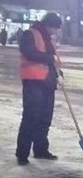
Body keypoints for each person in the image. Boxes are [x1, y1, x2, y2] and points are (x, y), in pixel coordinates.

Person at [15, 11, 63, 165]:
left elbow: (54, 60)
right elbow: (28, 52)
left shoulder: (49, 39)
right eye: (54, 28)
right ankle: (22, 154)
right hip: (33, 82)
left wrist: (58, 73)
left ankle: (40, 150)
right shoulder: (31, 34)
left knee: (44, 119)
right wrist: (48, 58)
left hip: (48, 82)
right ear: (48, 25)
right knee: (31, 117)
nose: (55, 31)